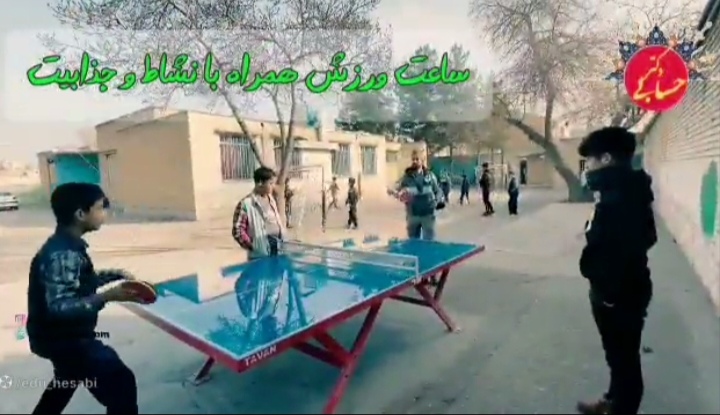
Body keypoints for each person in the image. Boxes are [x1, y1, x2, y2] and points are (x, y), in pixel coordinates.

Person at [28, 182, 143, 414]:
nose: (105, 213)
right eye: (100, 207)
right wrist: (107, 296)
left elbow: (78, 283)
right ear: (81, 214)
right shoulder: (63, 254)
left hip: (55, 337)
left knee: (66, 379)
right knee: (121, 384)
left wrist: (113, 275)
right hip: (66, 340)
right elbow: (58, 307)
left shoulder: (66, 246)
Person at [576, 127, 657, 415]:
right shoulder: (619, 190)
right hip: (615, 290)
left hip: (619, 294)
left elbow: (629, 245)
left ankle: (622, 408)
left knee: (625, 362)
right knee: (617, 358)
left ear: (607, 158)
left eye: (590, 160)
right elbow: (646, 236)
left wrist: (610, 294)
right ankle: (612, 401)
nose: (588, 167)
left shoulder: (621, 197)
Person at [232, 167, 285, 259]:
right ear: (260, 183)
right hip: (260, 254)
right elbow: (237, 231)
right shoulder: (246, 204)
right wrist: (253, 247)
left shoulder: (271, 199)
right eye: (270, 183)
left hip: (278, 249)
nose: (273, 186)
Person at [391, 150, 445, 240]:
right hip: (413, 215)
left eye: (417, 159)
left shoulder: (430, 176)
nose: (414, 161)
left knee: (429, 242)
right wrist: (395, 193)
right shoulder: (406, 178)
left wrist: (436, 201)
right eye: (413, 159)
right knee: (413, 242)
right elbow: (398, 191)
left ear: (422, 160)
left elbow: (438, 191)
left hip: (428, 215)